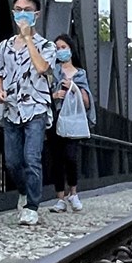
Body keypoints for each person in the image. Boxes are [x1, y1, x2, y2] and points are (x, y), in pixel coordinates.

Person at [0, 0, 54, 226]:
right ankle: (24, 192)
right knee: (12, 162)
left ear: (36, 14)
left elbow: (42, 68)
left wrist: (28, 39)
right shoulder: (4, 46)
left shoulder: (46, 45)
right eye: (18, 10)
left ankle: (32, 207)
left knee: (32, 158)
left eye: (27, 10)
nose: (22, 14)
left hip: (35, 107)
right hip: (11, 108)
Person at [45, 34, 94, 212]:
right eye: (57, 48)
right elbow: (41, 93)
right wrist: (54, 95)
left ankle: (73, 192)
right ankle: (60, 198)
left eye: (63, 47)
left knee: (71, 157)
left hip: (72, 119)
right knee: (56, 159)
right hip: (55, 118)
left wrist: (73, 87)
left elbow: (87, 102)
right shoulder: (51, 71)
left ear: (71, 49)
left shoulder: (81, 74)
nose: (60, 51)